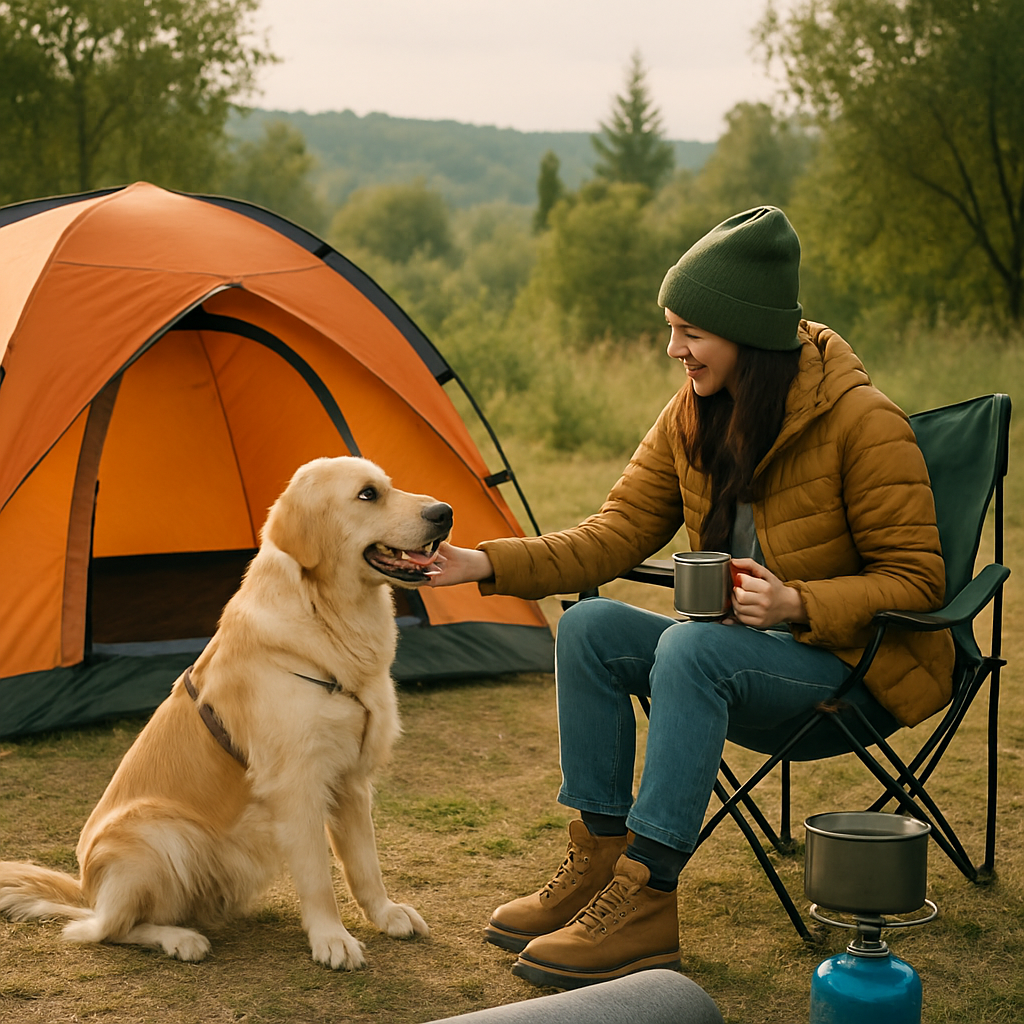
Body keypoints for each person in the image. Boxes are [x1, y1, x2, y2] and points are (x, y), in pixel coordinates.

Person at [427, 206, 953, 990]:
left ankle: (648, 896)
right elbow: (613, 532)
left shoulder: (862, 422)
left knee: (690, 643)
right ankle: (600, 860)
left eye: (691, 332)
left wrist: (796, 604)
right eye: (673, 329)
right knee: (591, 627)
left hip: (847, 671)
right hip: (728, 664)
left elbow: (918, 580)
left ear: (748, 333)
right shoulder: (692, 414)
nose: (674, 349)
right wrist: (482, 562)